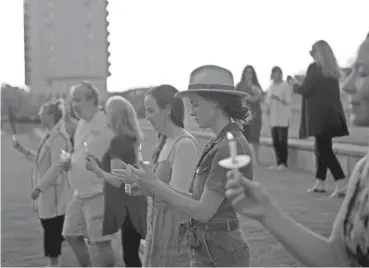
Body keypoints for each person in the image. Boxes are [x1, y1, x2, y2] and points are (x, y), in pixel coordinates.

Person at [225, 26, 369, 266]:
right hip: (327, 122)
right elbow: (337, 257)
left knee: (324, 149)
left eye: (362, 73)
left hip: (321, 120)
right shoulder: (366, 170)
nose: (347, 85)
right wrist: (266, 211)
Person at [114, 65, 253, 267]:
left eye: (195, 104)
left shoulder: (229, 146)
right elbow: (198, 200)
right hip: (208, 246)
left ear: (215, 102)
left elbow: (203, 211)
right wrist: (148, 186)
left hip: (220, 251)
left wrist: (153, 183)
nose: (190, 110)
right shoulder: (221, 143)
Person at [127, 84, 199, 267]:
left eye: (151, 110)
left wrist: (148, 184)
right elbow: (161, 190)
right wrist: (141, 188)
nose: (147, 116)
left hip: (175, 234)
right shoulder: (166, 141)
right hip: (158, 227)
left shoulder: (184, 144)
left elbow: (177, 196)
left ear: (167, 109)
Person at [84, 95, 148, 267]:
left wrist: (97, 170)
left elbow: (117, 180)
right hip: (134, 203)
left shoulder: (118, 142)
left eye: (106, 113)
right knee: (132, 253)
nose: (104, 116)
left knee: (130, 257)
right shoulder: (131, 139)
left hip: (126, 207)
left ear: (114, 116)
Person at [60, 81, 116, 267]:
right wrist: (71, 162)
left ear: (91, 99)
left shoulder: (107, 121)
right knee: (70, 234)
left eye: (77, 99)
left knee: (101, 242)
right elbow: (81, 152)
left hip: (99, 194)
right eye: (72, 100)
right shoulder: (83, 123)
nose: (73, 104)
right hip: (80, 194)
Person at [13, 99, 72, 267]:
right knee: (49, 226)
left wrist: (39, 187)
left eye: (42, 115)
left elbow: (56, 166)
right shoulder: (50, 136)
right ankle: (54, 261)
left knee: (52, 227)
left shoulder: (59, 138)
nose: (39, 118)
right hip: (48, 193)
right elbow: (41, 161)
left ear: (51, 116)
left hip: (53, 194)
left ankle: (54, 263)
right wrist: (23, 150)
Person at [292, 40, 349, 197]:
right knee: (322, 148)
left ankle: (341, 183)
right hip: (331, 114)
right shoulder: (331, 71)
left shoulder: (315, 68)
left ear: (317, 53)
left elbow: (305, 89)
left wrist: (294, 85)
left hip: (319, 115)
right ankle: (320, 182)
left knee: (324, 150)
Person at [265, 67, 293, 170]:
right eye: (274, 73)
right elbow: (268, 101)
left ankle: (283, 163)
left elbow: (288, 100)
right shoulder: (271, 87)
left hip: (283, 118)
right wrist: (267, 108)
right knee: (275, 141)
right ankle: (278, 162)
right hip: (273, 118)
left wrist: (278, 97)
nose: (276, 75)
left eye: (278, 73)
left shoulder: (285, 86)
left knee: (282, 140)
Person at [236, 65, 264, 166]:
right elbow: (236, 98)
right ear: (243, 73)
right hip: (243, 115)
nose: (249, 74)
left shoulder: (256, 85)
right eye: (247, 72)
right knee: (243, 138)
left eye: (251, 72)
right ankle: (244, 159)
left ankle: (256, 159)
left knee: (255, 137)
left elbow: (261, 97)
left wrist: (255, 95)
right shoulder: (239, 85)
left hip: (255, 115)